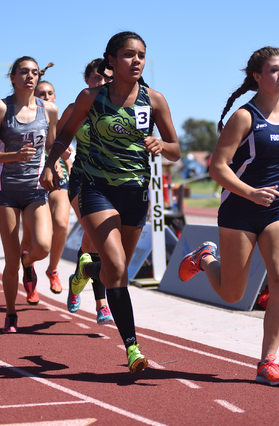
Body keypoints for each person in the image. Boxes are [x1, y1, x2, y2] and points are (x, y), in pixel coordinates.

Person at [178, 47, 279, 387]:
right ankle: (204, 258)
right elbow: (217, 167)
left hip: (277, 209)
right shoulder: (244, 118)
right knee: (233, 294)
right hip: (240, 209)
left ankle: (267, 362)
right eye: (274, 70)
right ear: (257, 76)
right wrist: (249, 192)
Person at [40, 31, 181, 374]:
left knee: (117, 272)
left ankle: (85, 271)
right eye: (129, 55)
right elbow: (66, 134)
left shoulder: (155, 100)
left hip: (135, 192)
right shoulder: (91, 98)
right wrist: (49, 165)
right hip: (95, 187)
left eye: (141, 55)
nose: (136, 61)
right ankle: (133, 348)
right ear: (112, 61)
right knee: (116, 268)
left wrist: (162, 147)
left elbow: (176, 150)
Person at [0, 57, 58, 333]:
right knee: (10, 258)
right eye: (24, 72)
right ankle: (11, 314)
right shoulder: (1, 107)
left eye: (34, 73)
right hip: (6, 190)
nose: (30, 76)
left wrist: (56, 164)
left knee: (43, 246)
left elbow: (53, 147)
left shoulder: (49, 109)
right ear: (12, 77)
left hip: (35, 188)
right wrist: (14, 155)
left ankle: (30, 263)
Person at [59, 58, 114, 324]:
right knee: (98, 238)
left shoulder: (118, 109)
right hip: (81, 178)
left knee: (91, 242)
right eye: (96, 78)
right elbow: (56, 139)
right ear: (87, 80)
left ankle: (78, 278)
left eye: (107, 78)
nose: (102, 82)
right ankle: (102, 304)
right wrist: (60, 153)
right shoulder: (75, 108)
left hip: (110, 180)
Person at [31, 78, 71, 296]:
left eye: (50, 93)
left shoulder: (61, 119)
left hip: (58, 175)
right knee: (31, 237)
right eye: (41, 94)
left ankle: (53, 269)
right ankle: (29, 273)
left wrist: (67, 159)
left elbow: (68, 148)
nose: (46, 97)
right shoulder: (28, 117)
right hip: (33, 177)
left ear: (55, 97)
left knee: (61, 224)